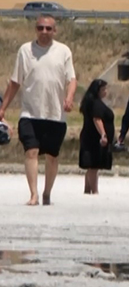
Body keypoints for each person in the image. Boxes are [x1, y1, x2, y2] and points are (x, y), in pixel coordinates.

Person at [0, 14, 76, 206]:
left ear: (54, 31)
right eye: (40, 28)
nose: (44, 32)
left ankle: (47, 192)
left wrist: (69, 97)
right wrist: (3, 108)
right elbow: (15, 81)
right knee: (31, 152)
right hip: (30, 113)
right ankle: (33, 194)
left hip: (55, 114)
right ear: (36, 29)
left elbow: (71, 79)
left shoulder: (63, 51)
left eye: (48, 28)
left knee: (52, 156)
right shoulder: (25, 50)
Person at [77, 79, 113, 196]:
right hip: (93, 138)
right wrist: (103, 134)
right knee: (93, 166)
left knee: (91, 165)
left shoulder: (90, 102)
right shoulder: (96, 104)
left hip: (88, 136)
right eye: (103, 89)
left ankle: (87, 189)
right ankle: (94, 190)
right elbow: (97, 119)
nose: (106, 91)